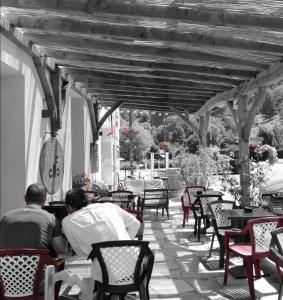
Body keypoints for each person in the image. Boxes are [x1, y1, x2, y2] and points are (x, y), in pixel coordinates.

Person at [62, 188, 140, 257]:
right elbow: (135, 224)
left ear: (69, 206)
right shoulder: (109, 206)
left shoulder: (67, 222)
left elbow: (80, 253)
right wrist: (124, 244)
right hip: (135, 260)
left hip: (104, 268)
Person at [0, 183, 67, 256]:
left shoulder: (5, 217)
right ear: (44, 199)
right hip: (37, 265)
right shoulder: (50, 218)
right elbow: (61, 250)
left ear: (25, 198)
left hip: (8, 265)